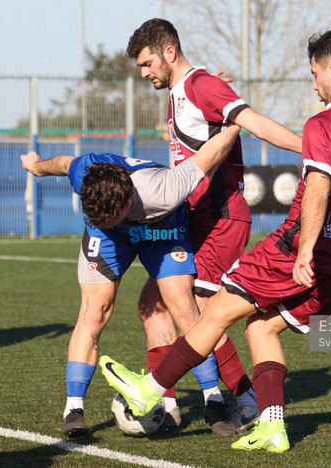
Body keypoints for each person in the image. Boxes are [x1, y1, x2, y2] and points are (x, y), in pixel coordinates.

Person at [99, 29, 331, 454]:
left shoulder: (323, 123)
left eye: (315, 74)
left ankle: (151, 389)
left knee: (214, 312)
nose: (313, 84)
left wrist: (305, 248)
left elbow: (316, 190)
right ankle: (272, 425)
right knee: (262, 327)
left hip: (295, 249)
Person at [126, 17, 303, 434]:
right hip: (192, 218)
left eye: (148, 63)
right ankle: (165, 404)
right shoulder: (180, 89)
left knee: (200, 310)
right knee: (153, 302)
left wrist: (310, 146)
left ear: (169, 52)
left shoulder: (200, 86)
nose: (144, 72)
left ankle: (244, 397)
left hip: (221, 218)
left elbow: (252, 121)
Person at [20, 125, 242, 438]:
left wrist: (235, 120)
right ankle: (74, 408)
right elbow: (63, 164)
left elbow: (211, 154)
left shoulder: (164, 189)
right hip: (110, 238)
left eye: (112, 215)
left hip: (162, 230)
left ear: (127, 202)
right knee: (94, 311)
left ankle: (213, 399)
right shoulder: (87, 175)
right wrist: (35, 168)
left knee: (183, 307)